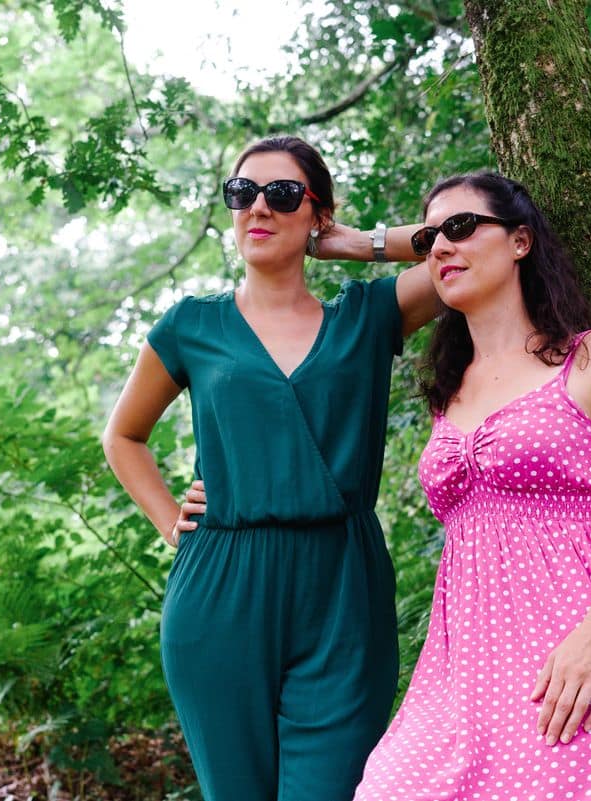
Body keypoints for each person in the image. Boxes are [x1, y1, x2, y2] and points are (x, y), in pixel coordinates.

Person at [353, 172, 591, 801]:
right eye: (430, 237)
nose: (441, 246)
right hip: (465, 679)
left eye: (461, 227)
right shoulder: (448, 390)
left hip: (581, 662)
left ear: (520, 241)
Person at [100, 135, 436, 801]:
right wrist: (170, 521)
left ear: (318, 213)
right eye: (241, 192)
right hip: (220, 588)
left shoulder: (367, 318)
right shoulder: (192, 326)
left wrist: (354, 244)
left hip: (343, 590)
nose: (257, 207)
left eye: (281, 194)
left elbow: (470, 246)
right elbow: (123, 436)